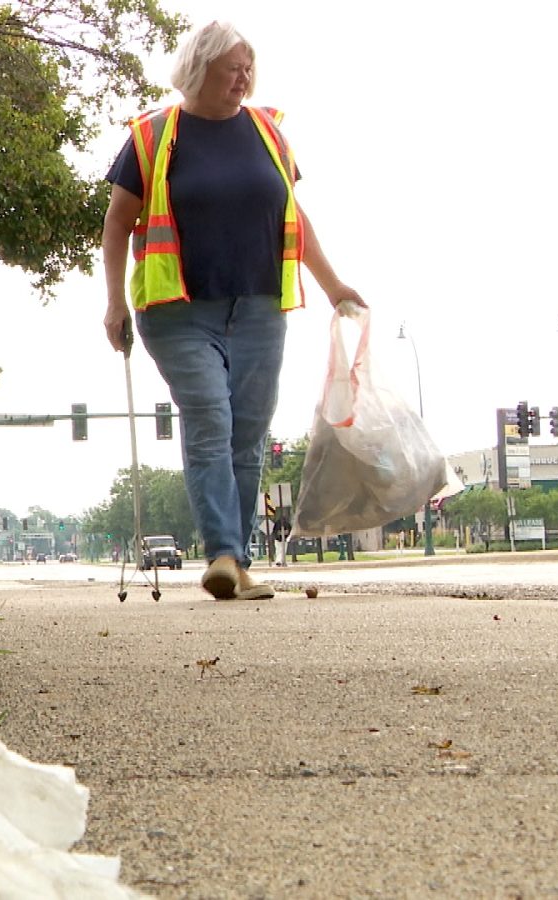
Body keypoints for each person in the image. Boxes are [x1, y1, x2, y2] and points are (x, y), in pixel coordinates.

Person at [100, 20, 364, 601]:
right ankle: (222, 554)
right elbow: (118, 221)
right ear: (199, 69)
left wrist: (334, 286)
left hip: (260, 309)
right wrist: (115, 302)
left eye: (249, 68)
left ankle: (237, 563)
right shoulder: (152, 137)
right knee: (210, 421)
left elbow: (295, 220)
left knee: (247, 433)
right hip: (177, 310)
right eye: (232, 68)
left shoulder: (268, 132)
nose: (243, 78)